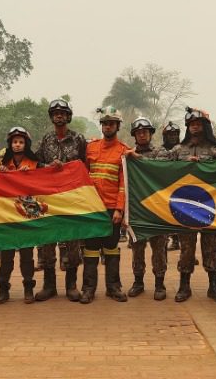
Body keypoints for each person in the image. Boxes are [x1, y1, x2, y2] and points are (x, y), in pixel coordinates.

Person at [169, 108, 216, 304]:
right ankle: (184, 286)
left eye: (198, 123)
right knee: (186, 248)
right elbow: (159, 166)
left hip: (210, 205)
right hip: (185, 206)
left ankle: (214, 286)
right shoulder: (178, 150)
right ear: (188, 127)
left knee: (211, 248)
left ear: (205, 126)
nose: (195, 126)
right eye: (191, 124)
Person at [35, 99, 87, 302]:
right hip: (49, 198)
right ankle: (49, 286)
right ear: (51, 116)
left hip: (71, 197)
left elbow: (85, 164)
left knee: (73, 243)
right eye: (55, 113)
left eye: (62, 113)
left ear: (68, 116)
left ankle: (72, 285)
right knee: (48, 242)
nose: (59, 115)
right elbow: (35, 163)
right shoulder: (46, 139)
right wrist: (47, 166)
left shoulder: (78, 139)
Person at [81, 106, 129, 304]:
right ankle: (88, 289)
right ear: (101, 126)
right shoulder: (90, 148)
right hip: (92, 207)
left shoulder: (123, 151)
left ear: (117, 126)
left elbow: (123, 183)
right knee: (90, 250)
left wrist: (119, 209)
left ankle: (113, 287)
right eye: (105, 123)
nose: (108, 126)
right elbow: (81, 176)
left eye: (111, 123)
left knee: (111, 249)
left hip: (111, 208)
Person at [0, 127, 41, 304]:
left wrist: (31, 175)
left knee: (27, 256)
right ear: (10, 144)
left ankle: (28, 288)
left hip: (27, 216)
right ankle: (3, 289)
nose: (17, 145)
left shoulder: (35, 164)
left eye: (21, 142)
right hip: (7, 216)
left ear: (26, 144)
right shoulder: (2, 164)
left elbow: (47, 178)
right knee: (6, 256)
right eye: (14, 142)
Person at [127, 117, 168, 300]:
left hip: (158, 210)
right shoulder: (127, 155)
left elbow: (163, 171)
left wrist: (139, 159)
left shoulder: (161, 153)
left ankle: (160, 283)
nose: (142, 134)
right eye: (138, 132)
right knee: (137, 248)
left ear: (151, 134)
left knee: (159, 249)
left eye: (145, 131)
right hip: (137, 210)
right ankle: (138, 282)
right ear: (134, 135)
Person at [157, 121, 182, 252]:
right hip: (164, 189)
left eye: (175, 134)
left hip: (180, 189)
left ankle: (186, 251)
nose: (172, 137)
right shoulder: (158, 151)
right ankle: (167, 242)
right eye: (170, 134)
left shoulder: (184, 149)